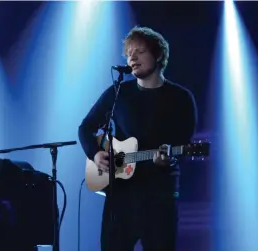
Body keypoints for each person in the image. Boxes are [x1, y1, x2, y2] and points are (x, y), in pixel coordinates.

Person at [78, 26, 197, 251]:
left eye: (139, 51)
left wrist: (168, 160)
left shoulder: (180, 98)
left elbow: (183, 144)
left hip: (159, 198)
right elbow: (85, 128)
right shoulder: (118, 93)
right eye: (129, 53)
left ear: (158, 54)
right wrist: (95, 154)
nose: (132, 57)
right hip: (120, 197)